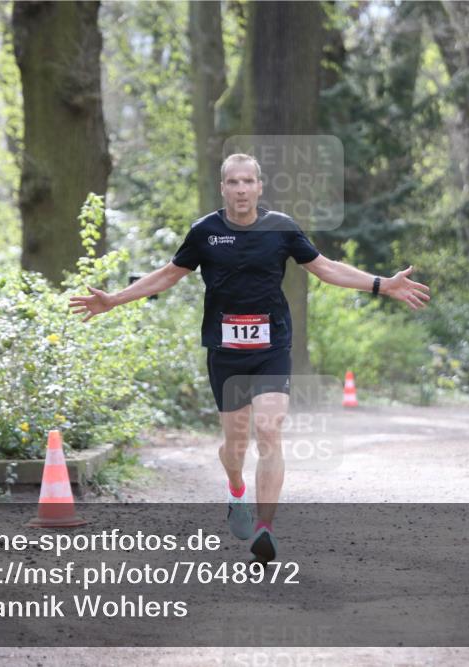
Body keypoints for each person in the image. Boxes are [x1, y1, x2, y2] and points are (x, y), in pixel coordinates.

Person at [69, 153, 431, 563]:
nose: (241, 189)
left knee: (269, 429)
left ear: (259, 187)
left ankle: (265, 527)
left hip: (271, 348)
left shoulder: (281, 228)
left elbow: (326, 268)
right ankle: (236, 489)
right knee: (235, 444)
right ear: (223, 188)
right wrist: (114, 300)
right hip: (225, 354)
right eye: (233, 182)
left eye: (248, 181)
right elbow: (169, 275)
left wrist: (381, 285)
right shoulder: (205, 232)